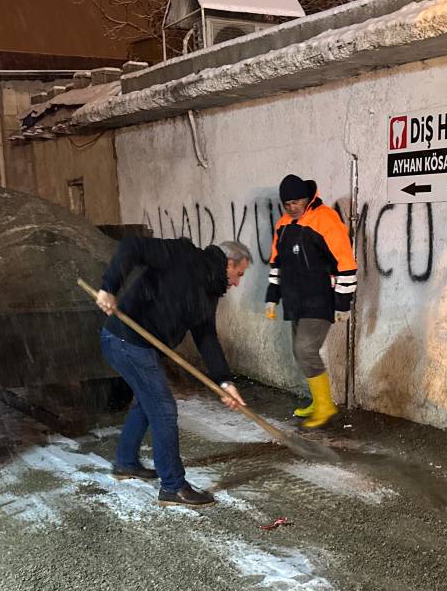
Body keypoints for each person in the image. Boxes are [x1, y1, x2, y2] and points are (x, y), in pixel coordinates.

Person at [96, 237, 250, 508]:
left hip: (141, 347)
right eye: (239, 274)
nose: (237, 283)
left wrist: (225, 382)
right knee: (163, 408)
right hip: (125, 340)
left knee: (148, 402)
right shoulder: (181, 254)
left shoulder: (209, 292)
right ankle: (173, 486)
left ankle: (126, 462)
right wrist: (109, 288)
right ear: (228, 263)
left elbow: (206, 337)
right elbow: (132, 247)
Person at [265, 174, 358, 429]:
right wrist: (272, 297)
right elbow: (276, 263)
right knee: (300, 352)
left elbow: (346, 262)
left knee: (305, 349)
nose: (292, 208)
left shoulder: (325, 219)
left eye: (296, 202)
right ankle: (319, 401)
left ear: (307, 198)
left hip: (320, 298)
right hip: (295, 300)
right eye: (287, 204)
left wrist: (343, 303)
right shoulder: (283, 225)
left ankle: (326, 406)